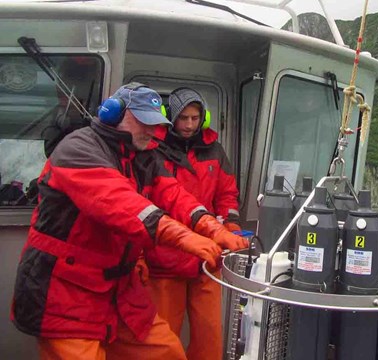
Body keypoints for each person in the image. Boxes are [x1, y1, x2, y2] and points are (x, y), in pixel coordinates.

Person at [11, 83, 248, 360]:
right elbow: (123, 204)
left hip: (118, 291)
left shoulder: (142, 155)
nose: (151, 130)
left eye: (155, 123)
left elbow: (173, 194)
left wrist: (214, 229)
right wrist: (187, 239)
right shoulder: (78, 149)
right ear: (113, 115)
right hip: (65, 292)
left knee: (167, 352)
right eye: (143, 122)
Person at [145, 87, 241, 360]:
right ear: (170, 117)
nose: (189, 124)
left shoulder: (216, 151)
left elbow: (227, 194)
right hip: (165, 259)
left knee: (210, 336)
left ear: (204, 119)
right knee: (163, 339)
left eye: (195, 118)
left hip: (207, 260)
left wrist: (231, 225)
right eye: (183, 118)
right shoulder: (154, 151)